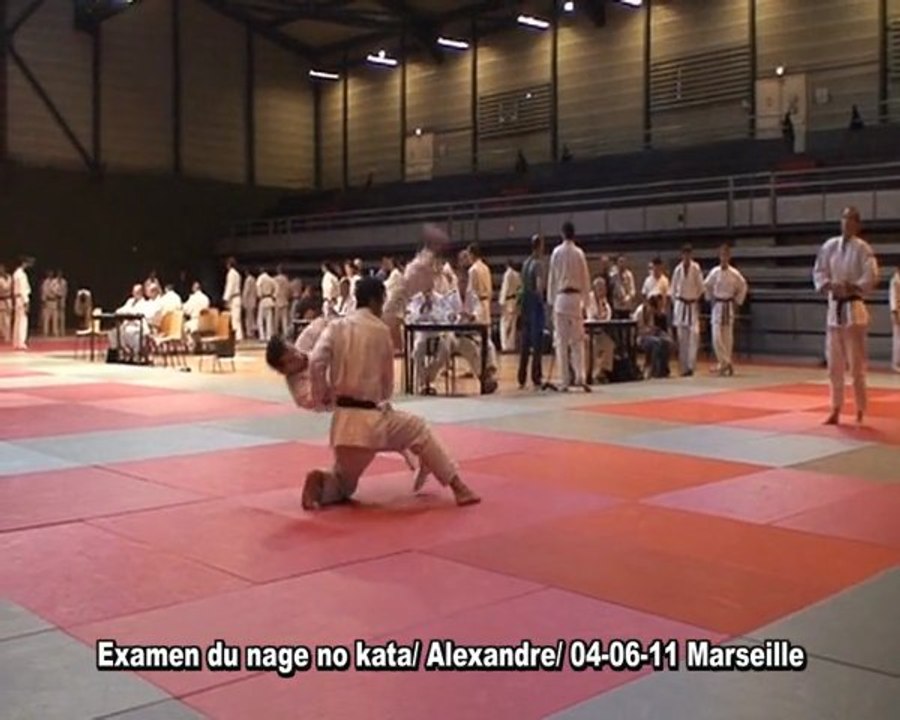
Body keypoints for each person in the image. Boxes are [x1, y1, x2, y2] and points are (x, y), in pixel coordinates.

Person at [287, 276, 480, 509]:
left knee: (344, 483)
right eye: (382, 301)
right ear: (374, 301)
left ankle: (323, 483)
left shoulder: (337, 327)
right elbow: (387, 386)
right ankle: (460, 488)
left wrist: (322, 395)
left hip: (343, 424)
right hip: (372, 421)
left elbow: (317, 360)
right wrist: (382, 397)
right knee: (419, 429)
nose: (382, 307)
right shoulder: (381, 331)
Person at [267, 318, 424, 485]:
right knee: (374, 433)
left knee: (384, 420)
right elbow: (319, 398)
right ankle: (410, 451)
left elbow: (324, 323)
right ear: (283, 371)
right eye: (291, 361)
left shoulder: (306, 340)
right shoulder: (300, 391)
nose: (297, 356)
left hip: (354, 376)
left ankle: (414, 451)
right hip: (343, 402)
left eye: (293, 351)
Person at [813, 207, 880, 424]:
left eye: (851, 219)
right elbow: (819, 271)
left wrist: (853, 286)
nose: (846, 222)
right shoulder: (829, 246)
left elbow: (871, 276)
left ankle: (860, 409)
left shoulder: (863, 249)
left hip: (854, 311)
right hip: (834, 310)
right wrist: (827, 285)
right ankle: (835, 408)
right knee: (834, 365)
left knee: (857, 366)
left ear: (858, 224)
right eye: (844, 218)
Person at [546, 221, 592, 392]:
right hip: (576, 300)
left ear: (562, 234)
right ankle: (581, 377)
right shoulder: (579, 253)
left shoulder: (556, 252)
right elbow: (585, 279)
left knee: (562, 342)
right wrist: (587, 303)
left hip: (561, 299)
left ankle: (565, 380)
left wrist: (551, 302)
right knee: (578, 341)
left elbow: (552, 279)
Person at [704, 244, 748, 376]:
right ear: (719, 256)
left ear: (729, 257)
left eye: (726, 255)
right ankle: (727, 362)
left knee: (727, 338)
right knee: (716, 337)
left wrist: (737, 301)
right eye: (722, 255)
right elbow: (706, 285)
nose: (724, 258)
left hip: (728, 306)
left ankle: (723, 365)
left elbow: (743, 286)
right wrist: (710, 298)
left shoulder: (734, 273)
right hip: (717, 306)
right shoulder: (714, 272)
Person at [671, 244, 704, 376]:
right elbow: (673, 289)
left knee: (694, 335)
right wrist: (676, 305)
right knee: (682, 338)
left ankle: (691, 365)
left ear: (691, 255)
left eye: (689, 253)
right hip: (681, 305)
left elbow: (701, 287)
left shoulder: (696, 268)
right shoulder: (677, 270)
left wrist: (694, 298)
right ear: (682, 255)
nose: (686, 256)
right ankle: (683, 367)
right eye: (684, 253)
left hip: (692, 304)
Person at [518, 234, 546, 390]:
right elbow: (539, 286)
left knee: (525, 343)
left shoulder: (525, 263)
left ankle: (521, 376)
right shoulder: (538, 264)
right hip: (535, 304)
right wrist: (542, 301)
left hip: (525, 304)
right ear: (540, 246)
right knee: (537, 342)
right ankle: (536, 376)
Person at [633, 296, 674, 378]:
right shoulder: (640, 312)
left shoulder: (651, 313)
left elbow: (651, 326)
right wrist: (650, 330)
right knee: (656, 342)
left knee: (666, 341)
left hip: (650, 335)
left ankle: (663, 369)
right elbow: (637, 330)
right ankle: (653, 370)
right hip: (641, 337)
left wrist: (655, 331)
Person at [586, 277, 616, 384]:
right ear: (595, 288)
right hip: (588, 332)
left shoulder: (603, 300)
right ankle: (590, 374)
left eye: (604, 288)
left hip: (599, 332)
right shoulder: (589, 298)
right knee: (593, 347)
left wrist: (603, 315)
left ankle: (602, 372)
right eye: (600, 288)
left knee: (609, 344)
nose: (603, 290)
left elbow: (608, 314)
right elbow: (591, 316)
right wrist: (600, 317)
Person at [499, 259, 522, 352]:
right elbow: (520, 289)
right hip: (514, 301)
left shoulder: (507, 274)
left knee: (505, 324)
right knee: (512, 324)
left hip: (507, 301)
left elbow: (505, 288)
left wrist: (502, 302)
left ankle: (505, 346)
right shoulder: (517, 275)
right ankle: (511, 345)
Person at [12, 257, 32, 350]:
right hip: (21, 299)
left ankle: (16, 342)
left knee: (18, 321)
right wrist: (26, 301)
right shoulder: (21, 275)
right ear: (23, 263)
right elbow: (23, 289)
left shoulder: (16, 273)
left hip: (18, 299)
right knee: (22, 321)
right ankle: (21, 342)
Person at [610, 255, 636, 319]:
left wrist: (627, 298)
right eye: (620, 262)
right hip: (617, 306)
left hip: (627, 306)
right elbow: (611, 289)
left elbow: (632, 290)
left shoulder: (629, 275)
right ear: (617, 263)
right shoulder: (613, 275)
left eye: (623, 262)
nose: (622, 264)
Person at [223, 257, 243, 342]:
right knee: (237, 319)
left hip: (233, 298)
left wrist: (225, 298)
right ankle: (239, 336)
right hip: (237, 297)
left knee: (235, 319)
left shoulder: (231, 274)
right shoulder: (237, 274)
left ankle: (237, 337)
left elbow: (230, 287)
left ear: (229, 265)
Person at [256, 268, 277, 341]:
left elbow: (258, 287)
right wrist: (274, 296)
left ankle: (262, 336)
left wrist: (259, 295)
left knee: (260, 320)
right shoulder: (271, 279)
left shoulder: (260, 278)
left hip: (263, 299)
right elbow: (276, 287)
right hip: (270, 299)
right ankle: (269, 336)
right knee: (269, 319)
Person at [274, 265, 291, 338]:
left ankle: (276, 334)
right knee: (285, 319)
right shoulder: (286, 279)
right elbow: (289, 290)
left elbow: (273, 290)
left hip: (277, 300)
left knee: (276, 320)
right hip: (284, 300)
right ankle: (286, 334)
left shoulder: (275, 279)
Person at [242, 270, 258, 340]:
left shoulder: (248, 280)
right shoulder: (254, 280)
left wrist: (243, 301)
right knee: (252, 318)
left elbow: (246, 291)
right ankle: (253, 332)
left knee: (249, 319)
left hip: (248, 301)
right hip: (253, 301)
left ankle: (249, 333)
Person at [891, 264, 900, 373]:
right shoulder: (895, 280)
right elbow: (893, 297)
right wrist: (894, 312)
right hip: (898, 311)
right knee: (898, 339)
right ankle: (896, 363)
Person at [0, 264, 11, 343]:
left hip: (8, 300)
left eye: (2, 269)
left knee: (8, 320)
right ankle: (2, 335)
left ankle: (8, 336)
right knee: (1, 320)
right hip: (1, 300)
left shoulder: (10, 277)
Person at [56, 270, 68, 336]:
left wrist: (62, 297)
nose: (59, 275)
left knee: (62, 317)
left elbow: (65, 290)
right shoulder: (54, 282)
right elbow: (53, 290)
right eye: (58, 274)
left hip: (62, 300)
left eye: (60, 274)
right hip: (55, 300)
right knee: (56, 317)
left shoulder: (64, 282)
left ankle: (62, 331)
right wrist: (57, 295)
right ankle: (56, 331)